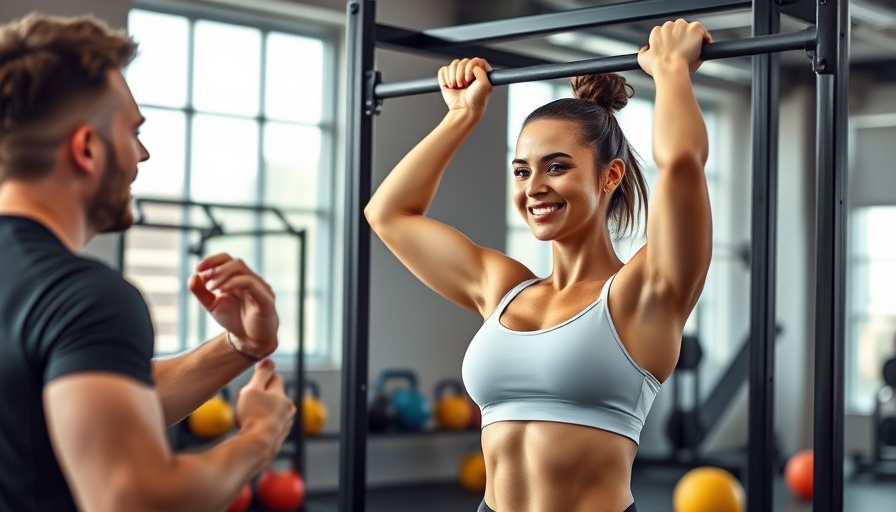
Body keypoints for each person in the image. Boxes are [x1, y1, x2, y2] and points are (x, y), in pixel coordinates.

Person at [365, 19, 713, 512]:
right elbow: (388, 214)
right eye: (522, 171)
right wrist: (461, 116)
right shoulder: (502, 289)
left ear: (610, 174)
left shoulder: (646, 292)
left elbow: (681, 164)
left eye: (557, 166)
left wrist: (672, 71)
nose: (533, 188)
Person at [0, 12, 296, 512]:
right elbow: (134, 496)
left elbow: (95, 401)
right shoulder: (83, 295)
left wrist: (241, 346)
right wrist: (262, 435)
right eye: (132, 131)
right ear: (87, 148)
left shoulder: (44, 294)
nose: (143, 154)